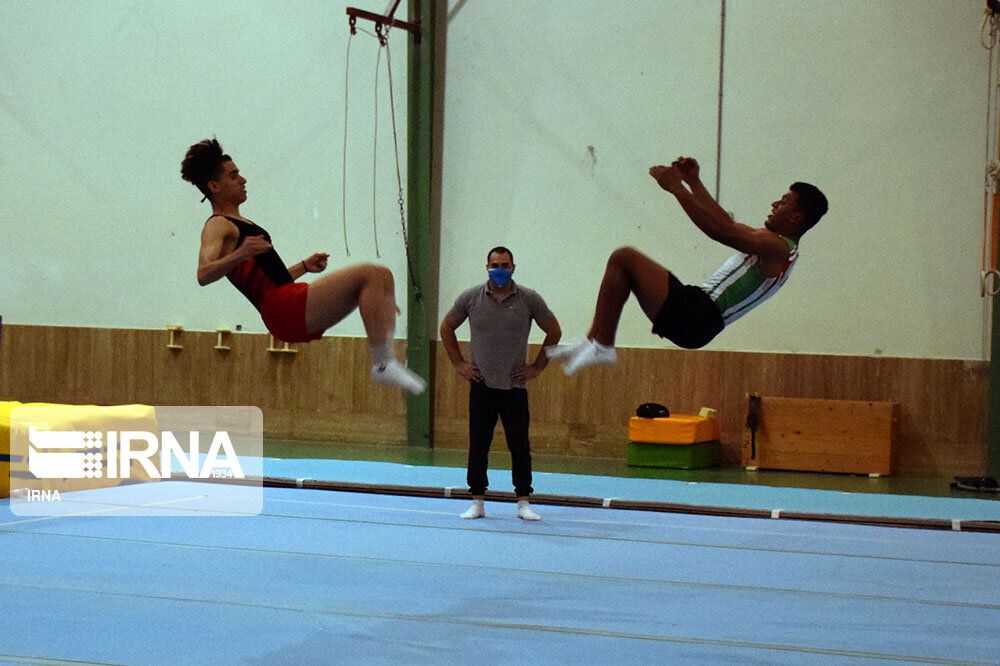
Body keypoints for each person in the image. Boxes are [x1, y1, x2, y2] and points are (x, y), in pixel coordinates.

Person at [181, 138, 425, 394]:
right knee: (370, 274)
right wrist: (241, 253)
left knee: (381, 275)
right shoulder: (218, 224)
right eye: (234, 176)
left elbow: (269, 280)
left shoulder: (242, 223)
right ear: (214, 186)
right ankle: (383, 364)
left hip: (284, 299)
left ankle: (386, 361)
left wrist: (304, 267)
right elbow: (203, 274)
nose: (243, 180)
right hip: (281, 309)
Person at [550, 157, 828, 374]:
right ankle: (595, 342)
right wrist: (694, 182)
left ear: (796, 218)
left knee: (624, 257)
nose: (775, 203)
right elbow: (725, 222)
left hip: (700, 315)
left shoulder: (779, 249)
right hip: (698, 314)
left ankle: (601, 345)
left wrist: (676, 188)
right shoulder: (771, 242)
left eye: (784, 202)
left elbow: (719, 231)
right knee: (621, 268)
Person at [440, 247, 562, 521]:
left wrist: (537, 366)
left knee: (519, 445)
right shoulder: (471, 298)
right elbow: (446, 327)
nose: (499, 270)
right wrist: (458, 363)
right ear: (487, 267)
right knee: (478, 444)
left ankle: (523, 501)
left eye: (505, 265)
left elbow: (554, 330)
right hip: (481, 383)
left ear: (513, 268)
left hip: (514, 386)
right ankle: (477, 500)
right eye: (495, 265)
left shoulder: (529, 299)